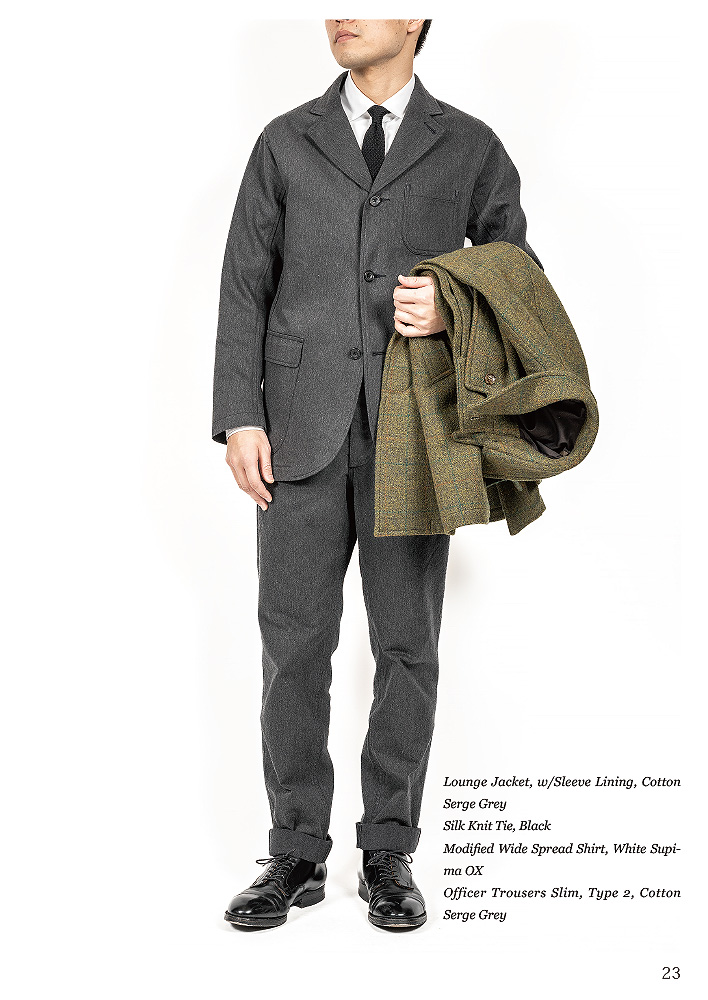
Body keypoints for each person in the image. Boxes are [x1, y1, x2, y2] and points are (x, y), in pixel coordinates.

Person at [213, 18, 542, 932]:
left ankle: (388, 849)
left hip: (417, 434)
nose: (338, 13)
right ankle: (294, 850)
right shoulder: (285, 141)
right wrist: (241, 414)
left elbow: (519, 274)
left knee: (406, 646)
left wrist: (452, 303)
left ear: (417, 18)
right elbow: (244, 283)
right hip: (297, 433)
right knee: (293, 646)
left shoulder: (470, 146)